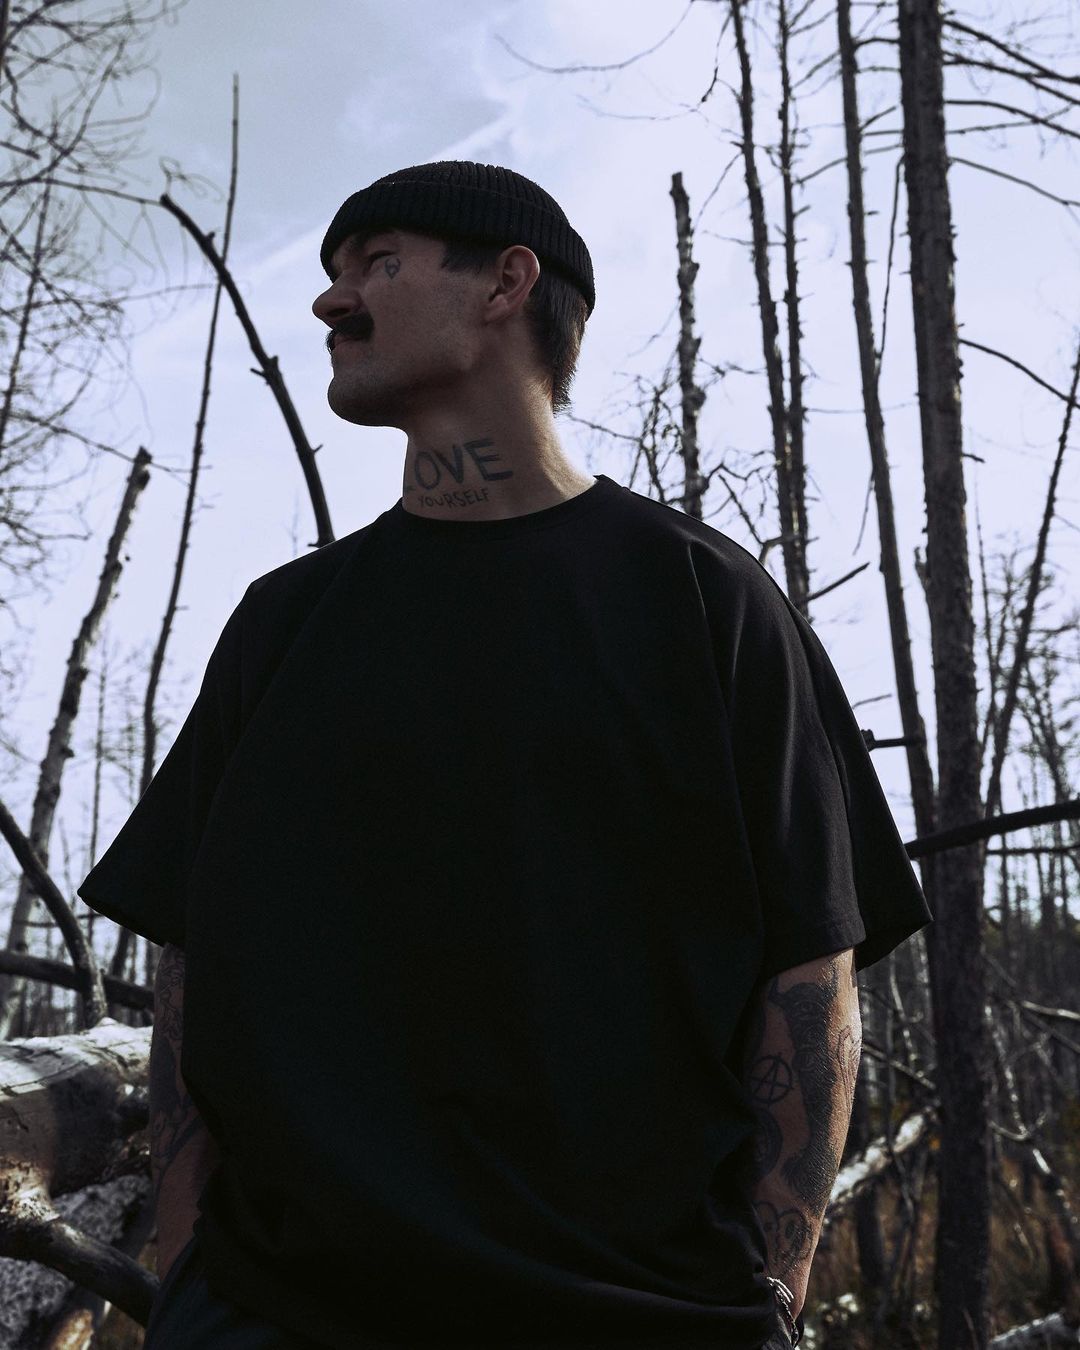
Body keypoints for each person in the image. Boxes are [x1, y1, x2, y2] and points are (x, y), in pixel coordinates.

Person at [78, 161, 931, 1350]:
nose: (331, 301)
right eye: (333, 272)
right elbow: (191, 970)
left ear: (506, 284)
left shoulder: (706, 605)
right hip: (279, 1318)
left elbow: (810, 978)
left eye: (378, 262)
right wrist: (188, 1281)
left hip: (641, 1322)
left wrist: (768, 1300)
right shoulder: (284, 626)